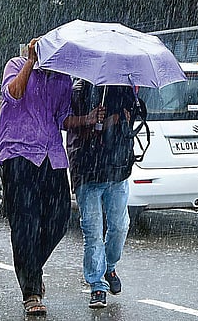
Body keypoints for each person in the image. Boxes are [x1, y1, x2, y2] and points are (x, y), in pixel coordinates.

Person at [0, 39, 104, 316]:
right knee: (25, 223)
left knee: (58, 219)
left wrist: (89, 119)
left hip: (52, 156)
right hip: (19, 154)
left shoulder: (62, 80)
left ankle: (31, 269)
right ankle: (31, 292)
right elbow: (14, 94)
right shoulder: (16, 66)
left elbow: (63, 118)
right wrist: (31, 63)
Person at [67, 80, 138, 309]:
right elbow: (70, 125)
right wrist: (92, 120)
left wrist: (125, 116)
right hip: (88, 171)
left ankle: (109, 266)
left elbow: (133, 117)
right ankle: (97, 285)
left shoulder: (124, 86)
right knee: (93, 231)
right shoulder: (79, 90)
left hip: (117, 168)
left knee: (120, 226)